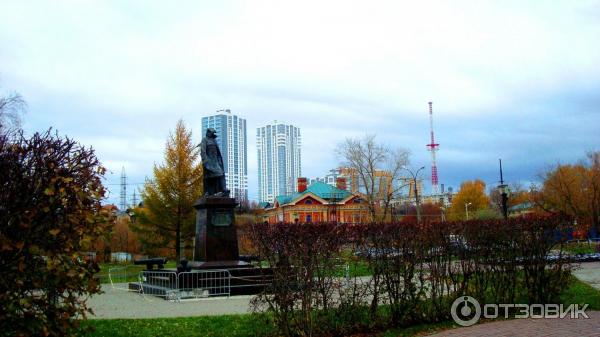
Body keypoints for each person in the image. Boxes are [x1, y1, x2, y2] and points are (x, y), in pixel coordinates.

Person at [200, 128, 230, 197]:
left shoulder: (214, 141)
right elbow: (203, 151)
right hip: (209, 162)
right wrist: (206, 162)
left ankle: (223, 189)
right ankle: (208, 192)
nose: (212, 134)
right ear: (208, 133)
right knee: (209, 177)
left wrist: (219, 161)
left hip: (216, 162)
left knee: (221, 174)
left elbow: (218, 153)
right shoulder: (204, 140)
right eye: (211, 133)